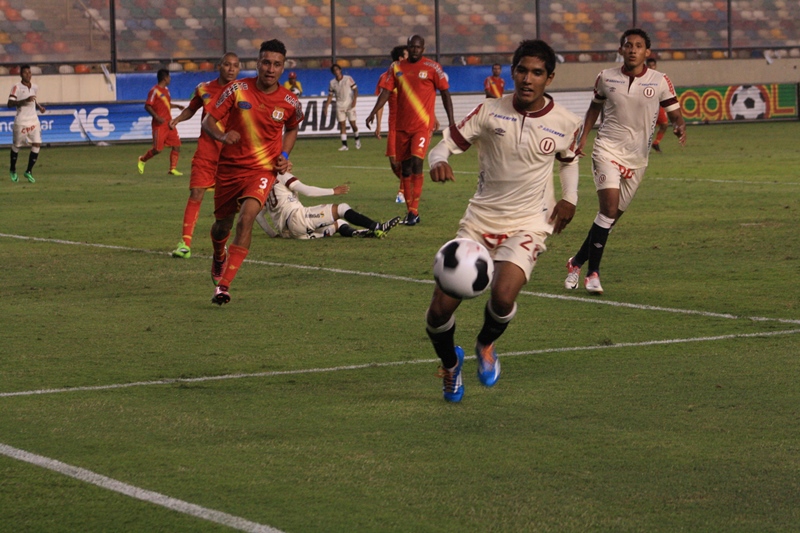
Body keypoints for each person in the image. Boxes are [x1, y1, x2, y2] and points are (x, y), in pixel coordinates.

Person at [425, 40, 582, 403]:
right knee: (437, 313)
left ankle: (485, 343)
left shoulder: (565, 122)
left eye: (537, 73)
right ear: (513, 73)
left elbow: (569, 160)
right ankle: (450, 364)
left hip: (529, 222)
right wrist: (437, 161)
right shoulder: (488, 111)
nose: (528, 79)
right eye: (522, 70)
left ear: (549, 78)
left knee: (503, 294)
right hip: (478, 221)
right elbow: (443, 145)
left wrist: (569, 198)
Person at [564, 29, 686, 295]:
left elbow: (675, 112)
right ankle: (592, 274)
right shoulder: (606, 78)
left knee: (608, 221)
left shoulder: (660, 80)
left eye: (638, 46)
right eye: (628, 45)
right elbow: (594, 108)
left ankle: (576, 262)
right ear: (621, 50)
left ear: (647, 52)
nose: (633, 49)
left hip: (638, 159)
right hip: (607, 150)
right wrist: (583, 137)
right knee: (607, 210)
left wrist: (679, 126)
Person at [202, 39, 304, 306]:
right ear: (258, 63)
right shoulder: (237, 89)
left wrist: (283, 155)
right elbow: (208, 121)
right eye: (266, 62)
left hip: (262, 170)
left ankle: (223, 286)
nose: (271, 69)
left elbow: (292, 128)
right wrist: (222, 137)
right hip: (229, 169)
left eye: (277, 64)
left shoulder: (290, 101)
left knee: (246, 219)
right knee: (222, 224)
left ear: (284, 67)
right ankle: (218, 255)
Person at [366, 34, 455, 226]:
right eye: (412, 47)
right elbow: (386, 92)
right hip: (402, 127)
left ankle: (414, 211)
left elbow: (445, 93)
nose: (415, 50)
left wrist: (452, 121)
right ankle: (410, 211)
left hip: (422, 126)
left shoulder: (433, 68)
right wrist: (373, 112)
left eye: (418, 47)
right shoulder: (396, 68)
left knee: (416, 162)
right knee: (404, 168)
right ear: (408, 47)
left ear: (423, 49)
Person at [167, 53, 241, 259]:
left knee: (231, 204)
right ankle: (185, 243)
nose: (231, 69)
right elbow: (192, 108)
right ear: (220, 66)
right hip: (206, 152)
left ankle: (223, 243)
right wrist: (177, 120)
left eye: (235, 66)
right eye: (227, 64)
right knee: (196, 193)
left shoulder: (244, 91)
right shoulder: (204, 88)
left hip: (232, 156)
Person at [255, 172, 401, 239]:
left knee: (339, 223)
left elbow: (259, 215)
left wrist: (273, 235)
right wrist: (333, 191)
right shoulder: (282, 175)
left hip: (290, 233)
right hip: (297, 218)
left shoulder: (265, 185)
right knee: (342, 208)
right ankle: (377, 227)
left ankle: (360, 233)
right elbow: (307, 191)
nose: (289, 163)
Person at [373, 45, 408, 203]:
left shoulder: (411, 77)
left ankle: (403, 191)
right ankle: (408, 184)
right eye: (406, 56)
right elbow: (381, 100)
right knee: (393, 162)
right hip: (393, 125)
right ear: (400, 58)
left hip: (408, 125)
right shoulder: (386, 77)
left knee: (405, 159)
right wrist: (378, 125)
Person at [137, 69, 185, 176]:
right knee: (158, 149)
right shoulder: (154, 91)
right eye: (169, 77)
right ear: (165, 78)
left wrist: (176, 106)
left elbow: (166, 104)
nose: (170, 79)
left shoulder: (166, 90)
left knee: (176, 145)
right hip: (159, 125)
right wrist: (157, 117)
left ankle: (172, 169)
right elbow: (147, 106)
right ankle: (142, 159)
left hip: (169, 123)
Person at [7, 64, 45, 183]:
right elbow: (10, 104)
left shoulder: (35, 86)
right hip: (21, 122)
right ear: (20, 75)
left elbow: (33, 99)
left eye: (29, 72)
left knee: (37, 144)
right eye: (25, 73)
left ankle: (28, 171)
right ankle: (13, 169)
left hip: (34, 120)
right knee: (17, 146)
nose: (28, 74)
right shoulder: (16, 87)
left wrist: (39, 107)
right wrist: (24, 101)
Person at [323, 64, 360, 151]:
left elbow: (355, 89)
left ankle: (357, 139)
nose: (336, 71)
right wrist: (326, 107)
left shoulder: (348, 78)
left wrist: (354, 100)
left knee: (353, 124)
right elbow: (330, 95)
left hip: (350, 104)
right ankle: (345, 145)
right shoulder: (332, 82)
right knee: (342, 124)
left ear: (340, 70)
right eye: (334, 70)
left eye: (337, 69)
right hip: (340, 105)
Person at [646, 57, 670, 153]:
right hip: (647, 107)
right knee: (647, 128)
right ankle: (644, 147)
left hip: (658, 105)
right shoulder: (642, 78)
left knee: (664, 124)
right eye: (649, 66)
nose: (651, 67)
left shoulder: (660, 78)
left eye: (653, 65)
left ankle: (656, 143)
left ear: (656, 66)